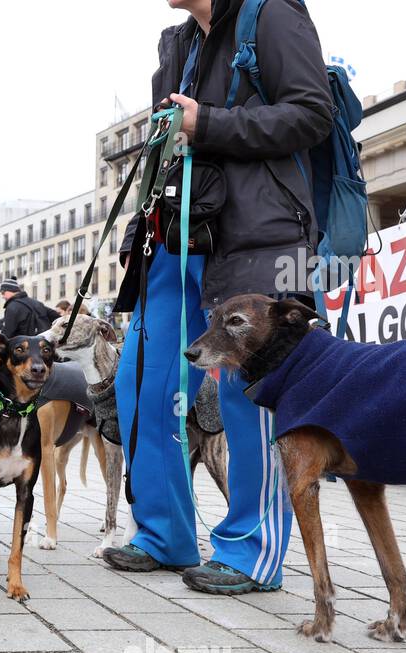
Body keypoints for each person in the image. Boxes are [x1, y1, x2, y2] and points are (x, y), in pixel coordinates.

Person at [106, 0, 334, 596]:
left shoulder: (272, 13)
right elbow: (162, 153)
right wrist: (136, 233)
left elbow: (312, 115)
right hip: (175, 235)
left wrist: (207, 123)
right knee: (141, 381)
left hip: (256, 237)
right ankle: (163, 533)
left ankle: (251, 550)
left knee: (248, 399)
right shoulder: (175, 43)